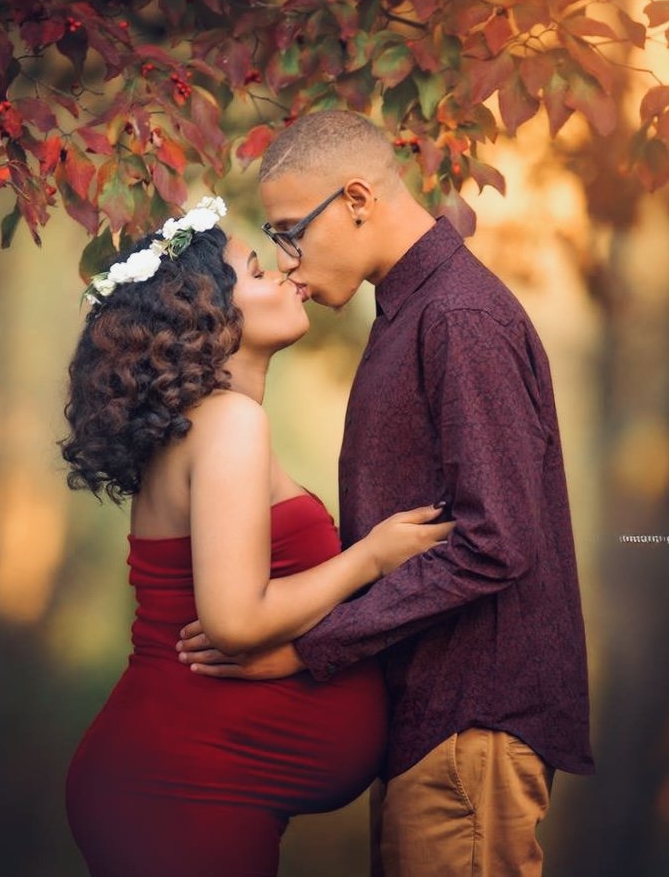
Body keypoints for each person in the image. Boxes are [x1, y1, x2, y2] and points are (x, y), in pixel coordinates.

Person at [176, 113, 595, 876]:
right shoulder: (413, 310)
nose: (286, 261)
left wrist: (310, 649)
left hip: (472, 722)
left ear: (359, 197)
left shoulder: (456, 316)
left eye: (290, 233)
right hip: (434, 725)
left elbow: (494, 541)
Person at [61, 195, 454, 877]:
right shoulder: (226, 424)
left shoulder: (209, 423)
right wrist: (371, 556)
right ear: (207, 314)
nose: (283, 272)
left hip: (190, 783)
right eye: (254, 269)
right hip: (180, 789)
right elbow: (237, 620)